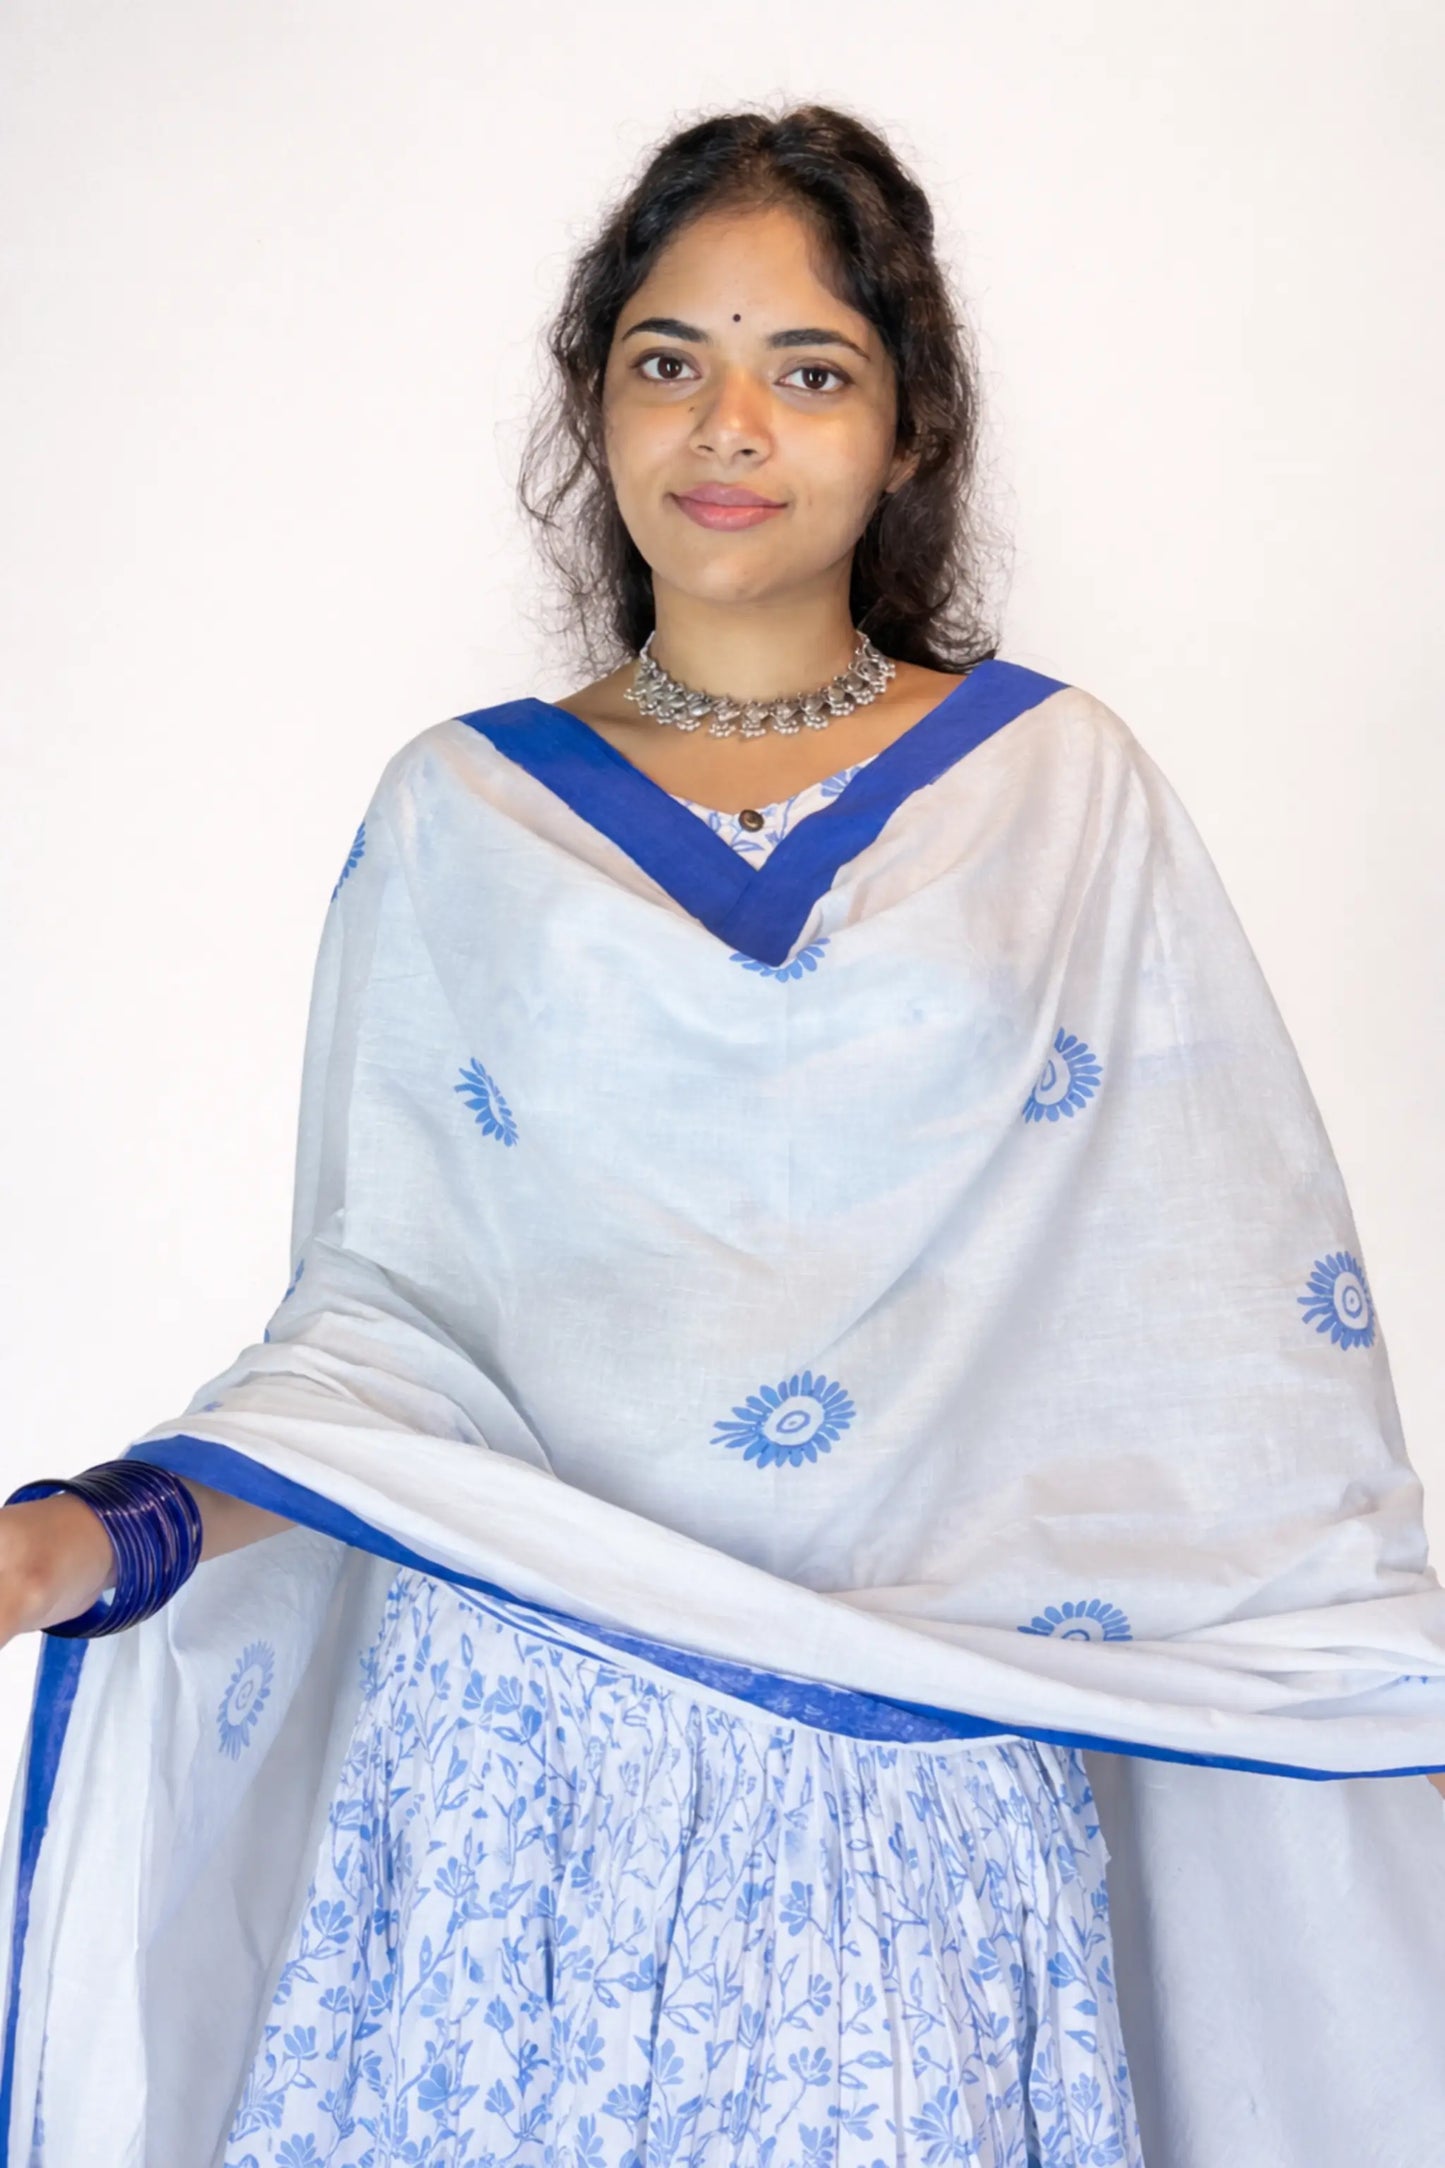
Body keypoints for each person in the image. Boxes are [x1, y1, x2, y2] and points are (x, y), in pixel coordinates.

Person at [1, 101, 1442, 2168]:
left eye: (811, 370)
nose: (729, 425)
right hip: (518, 1811)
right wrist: (104, 1533)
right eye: (669, 360)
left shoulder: (1060, 796)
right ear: (596, 407)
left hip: (908, 1803)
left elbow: (1220, 1327)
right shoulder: (460, 820)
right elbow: (383, 1322)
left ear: (912, 429)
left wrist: (1381, 1691)